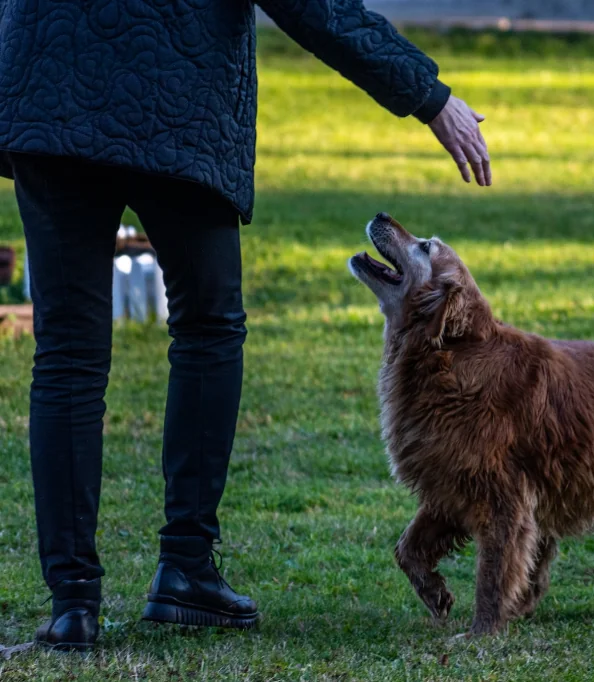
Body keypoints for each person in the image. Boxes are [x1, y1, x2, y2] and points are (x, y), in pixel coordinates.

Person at [0, 0, 491, 651]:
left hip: (50, 89)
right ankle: (185, 569)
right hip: (180, 98)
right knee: (207, 330)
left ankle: (72, 608)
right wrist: (428, 96)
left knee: (66, 357)